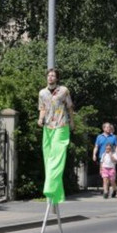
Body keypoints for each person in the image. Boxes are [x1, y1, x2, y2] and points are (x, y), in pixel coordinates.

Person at [37, 68, 76, 207]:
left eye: (53, 75)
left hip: (61, 125)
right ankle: (56, 195)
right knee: (48, 158)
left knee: (57, 157)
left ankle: (49, 187)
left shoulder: (64, 91)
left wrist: (72, 122)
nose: (50, 77)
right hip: (48, 127)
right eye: (49, 75)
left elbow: (70, 107)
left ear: (57, 78)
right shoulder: (42, 93)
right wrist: (40, 119)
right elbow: (42, 108)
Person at [92, 122, 117, 198]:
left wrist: (116, 155)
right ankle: (106, 192)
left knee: (112, 179)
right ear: (103, 128)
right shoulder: (99, 137)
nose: (109, 128)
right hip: (103, 158)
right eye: (107, 127)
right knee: (105, 178)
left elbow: (116, 146)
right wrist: (94, 154)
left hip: (112, 159)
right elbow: (96, 146)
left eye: (109, 127)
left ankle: (114, 189)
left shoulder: (113, 137)